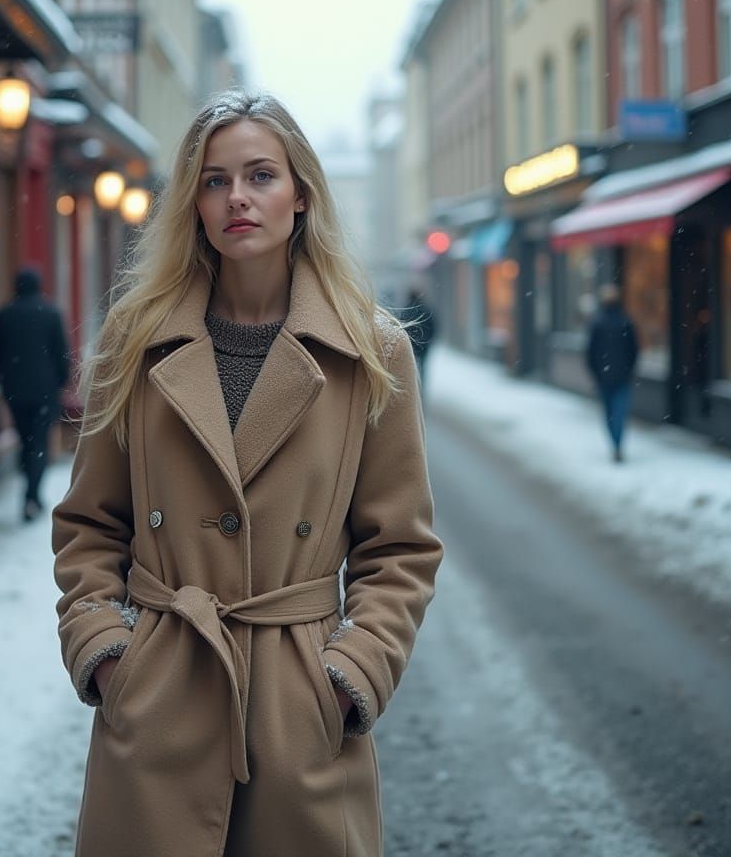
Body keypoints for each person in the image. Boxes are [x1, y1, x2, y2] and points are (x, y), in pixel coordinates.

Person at [52, 90, 443, 856]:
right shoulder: (135, 342)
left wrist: (350, 674)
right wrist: (106, 653)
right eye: (215, 180)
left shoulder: (371, 351)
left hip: (298, 713)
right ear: (193, 203)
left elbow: (400, 547)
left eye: (261, 175)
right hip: (161, 698)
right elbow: (90, 523)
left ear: (301, 194)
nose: (237, 197)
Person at [0, 267, 70, 520]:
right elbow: (62, 353)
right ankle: (32, 495)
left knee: (25, 441)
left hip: (15, 391)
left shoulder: (5, 314)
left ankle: (30, 493)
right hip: (45, 390)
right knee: (39, 442)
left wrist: (1, 381)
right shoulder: (51, 312)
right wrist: (61, 382)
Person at [586, 283, 638, 463]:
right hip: (621, 377)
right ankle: (617, 444)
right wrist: (628, 370)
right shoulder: (626, 321)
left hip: (605, 377)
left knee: (609, 413)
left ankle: (615, 444)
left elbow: (590, 353)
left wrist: (596, 373)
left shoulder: (597, 323)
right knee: (619, 413)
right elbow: (634, 351)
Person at [398, 287, 436, 384]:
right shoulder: (426, 310)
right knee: (422, 366)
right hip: (424, 345)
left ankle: (412, 385)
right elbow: (433, 327)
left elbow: (401, 327)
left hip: (411, 344)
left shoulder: (407, 310)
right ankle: (421, 385)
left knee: (410, 366)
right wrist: (429, 340)